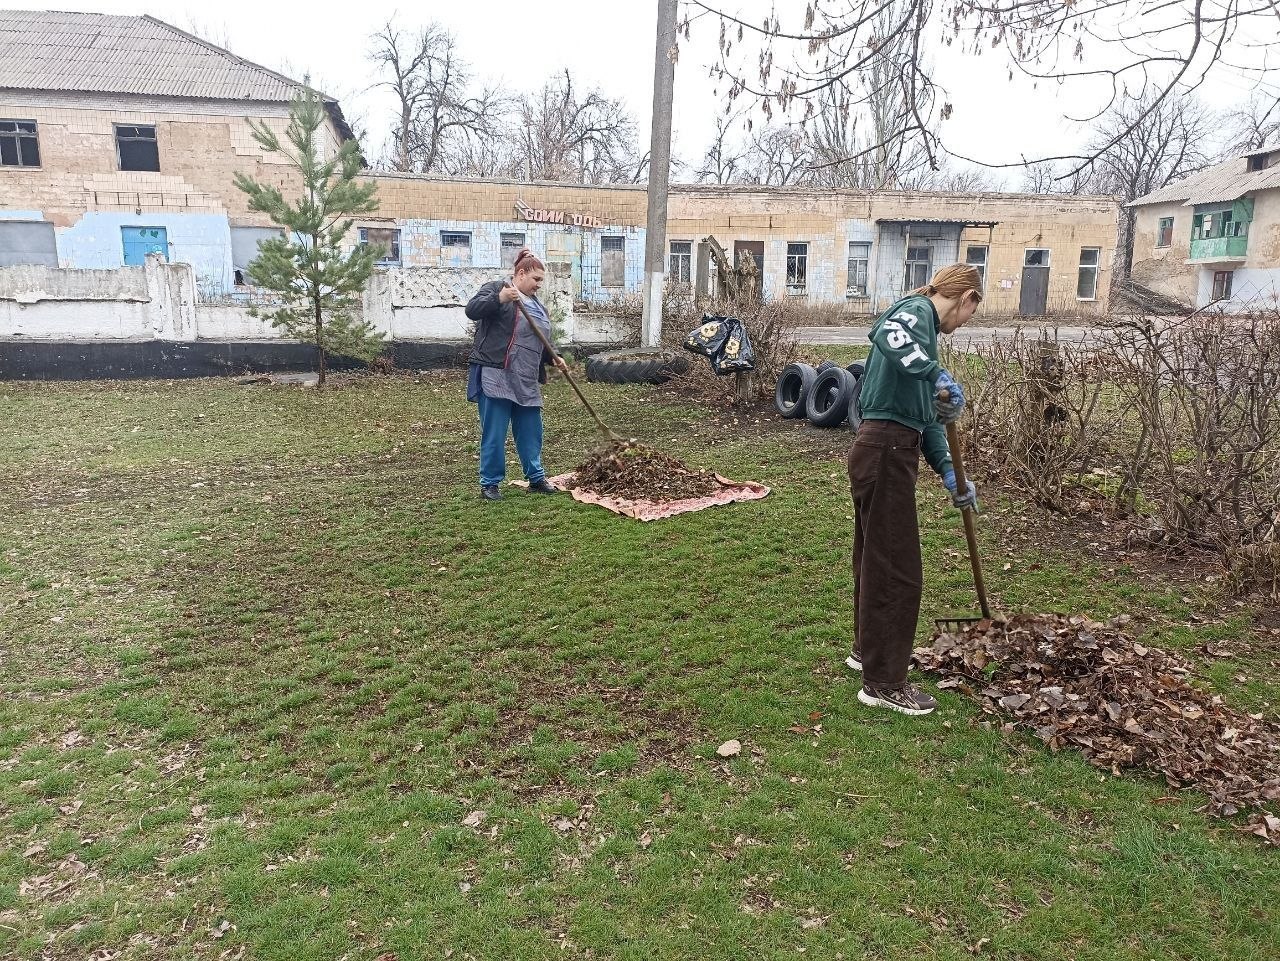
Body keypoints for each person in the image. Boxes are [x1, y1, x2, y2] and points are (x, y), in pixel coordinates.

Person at [844, 263, 982, 716]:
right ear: (966, 299)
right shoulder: (916, 312)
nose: (962, 327)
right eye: (968, 316)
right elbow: (886, 331)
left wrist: (951, 475)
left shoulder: (924, 344)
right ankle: (883, 683)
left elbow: (928, 423)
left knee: (875, 560)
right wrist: (935, 374)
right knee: (897, 570)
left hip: (886, 450)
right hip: (885, 450)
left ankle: (868, 652)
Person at [465, 248, 569, 502]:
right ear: (521, 274)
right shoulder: (498, 288)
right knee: (495, 432)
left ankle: (535, 477)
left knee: (532, 430)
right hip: (497, 374)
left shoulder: (538, 307)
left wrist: (554, 356)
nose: (538, 285)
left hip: (526, 378)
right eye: (536, 280)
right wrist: (500, 298)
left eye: (541, 281)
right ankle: (490, 484)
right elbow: (472, 309)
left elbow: (542, 339)